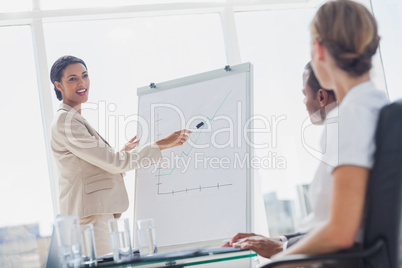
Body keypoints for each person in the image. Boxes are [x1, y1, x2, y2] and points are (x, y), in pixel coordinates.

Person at [226, 1, 389, 266]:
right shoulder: (379, 108)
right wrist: (283, 245)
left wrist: (276, 263)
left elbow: (340, 232)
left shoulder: (348, 118)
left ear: (319, 49)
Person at [50, 55, 191, 255]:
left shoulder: (73, 119)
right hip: (90, 219)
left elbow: (95, 165)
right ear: (59, 85)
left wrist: (123, 153)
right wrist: (160, 145)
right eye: (72, 78)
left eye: (85, 75)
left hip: (95, 216)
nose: (82, 83)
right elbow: (114, 163)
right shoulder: (66, 121)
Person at [222, 62, 337, 258]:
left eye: (304, 94)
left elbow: (342, 226)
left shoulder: (340, 132)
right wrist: (280, 241)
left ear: (321, 96)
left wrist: (281, 250)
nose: (303, 102)